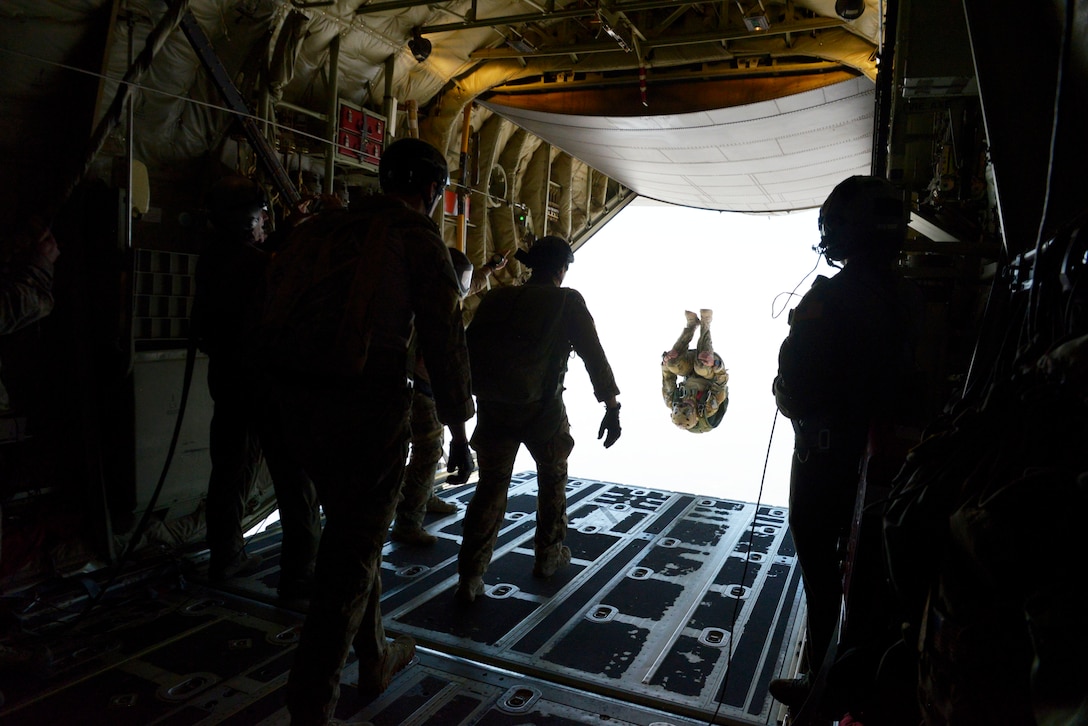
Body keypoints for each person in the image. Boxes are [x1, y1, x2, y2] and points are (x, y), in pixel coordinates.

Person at [260, 137, 475, 725]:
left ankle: (376, 655)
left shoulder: (323, 229)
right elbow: (443, 342)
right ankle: (312, 704)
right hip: (363, 411)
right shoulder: (416, 237)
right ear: (432, 189)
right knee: (350, 558)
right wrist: (459, 429)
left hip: (291, 405)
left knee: (352, 536)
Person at [769, 176, 923, 718]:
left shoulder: (829, 298)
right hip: (886, 460)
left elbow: (795, 385)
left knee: (820, 566)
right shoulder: (912, 297)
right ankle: (844, 676)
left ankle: (822, 682)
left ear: (840, 231)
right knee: (869, 575)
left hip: (825, 458)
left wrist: (782, 393)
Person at [455, 235, 621, 603]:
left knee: (490, 488)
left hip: (494, 408)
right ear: (562, 269)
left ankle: (470, 576)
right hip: (542, 411)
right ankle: (548, 556)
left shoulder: (496, 297)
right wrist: (611, 406)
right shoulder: (566, 300)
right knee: (552, 477)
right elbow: (594, 354)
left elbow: (468, 349)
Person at [191, 175, 321, 600]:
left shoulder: (216, 255)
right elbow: (280, 268)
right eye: (261, 218)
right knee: (293, 475)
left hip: (228, 380)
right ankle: (300, 573)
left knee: (229, 470)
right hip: (265, 383)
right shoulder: (252, 265)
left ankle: (225, 556)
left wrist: (288, 228)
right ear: (246, 221)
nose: (265, 223)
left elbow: (258, 255)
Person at [390, 248, 509, 546]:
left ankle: (423, 495)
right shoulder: (436, 312)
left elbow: (466, 286)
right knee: (428, 449)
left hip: (414, 384)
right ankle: (408, 522)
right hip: (416, 387)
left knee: (427, 449)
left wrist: (489, 270)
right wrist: (460, 433)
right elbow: (442, 367)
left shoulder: (415, 287)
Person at [661, 309, 729, 433]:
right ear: (695, 412)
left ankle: (691, 325)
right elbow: (721, 382)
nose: (685, 402)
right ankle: (705, 322)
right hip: (710, 369)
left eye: (680, 405)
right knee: (701, 368)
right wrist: (715, 365)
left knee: (672, 363)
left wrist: (666, 361)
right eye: (687, 408)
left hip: (689, 369)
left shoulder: (671, 400)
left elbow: (668, 377)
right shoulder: (708, 408)